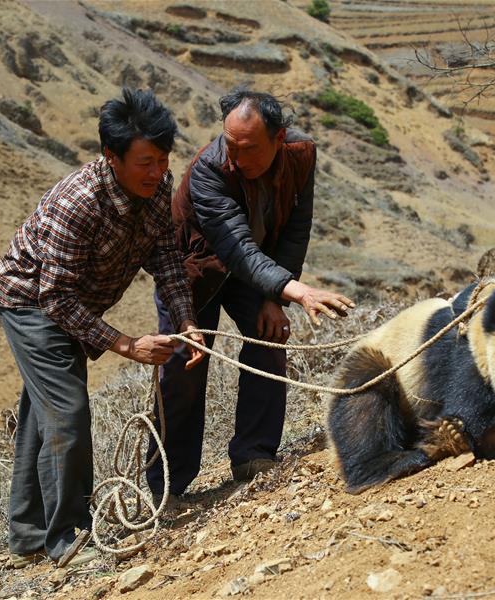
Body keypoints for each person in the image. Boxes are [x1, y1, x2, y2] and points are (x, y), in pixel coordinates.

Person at [0, 88, 204, 567]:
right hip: (31, 304)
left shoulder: (156, 189)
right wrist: (126, 344)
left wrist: (187, 320)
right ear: (112, 157)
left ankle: (27, 537)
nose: (158, 172)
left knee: (45, 412)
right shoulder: (79, 203)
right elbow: (54, 297)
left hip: (74, 304)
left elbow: (166, 258)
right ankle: (67, 538)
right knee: (67, 411)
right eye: (146, 161)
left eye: (164, 160)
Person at [146, 89, 354, 503]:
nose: (237, 158)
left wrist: (276, 298)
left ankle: (253, 456)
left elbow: (296, 228)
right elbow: (234, 244)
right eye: (230, 145)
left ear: (279, 138)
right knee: (184, 367)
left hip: (257, 270)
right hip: (193, 271)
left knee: (269, 337)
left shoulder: (301, 153)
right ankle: (166, 489)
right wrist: (295, 289)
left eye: (249, 148)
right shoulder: (208, 170)